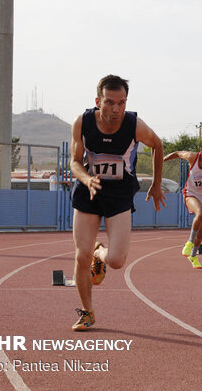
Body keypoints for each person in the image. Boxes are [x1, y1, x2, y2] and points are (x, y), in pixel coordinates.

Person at [70, 75, 166, 331]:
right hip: (89, 191)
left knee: (116, 261)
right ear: (98, 101)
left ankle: (99, 253)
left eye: (121, 103)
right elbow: (75, 161)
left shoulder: (135, 125)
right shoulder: (83, 122)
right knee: (81, 256)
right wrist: (87, 179)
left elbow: (157, 144)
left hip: (120, 194)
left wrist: (156, 184)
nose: (116, 109)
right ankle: (87, 312)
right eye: (110, 102)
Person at [164, 138, 202, 269]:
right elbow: (177, 153)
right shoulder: (192, 157)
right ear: (201, 150)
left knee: (201, 232)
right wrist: (161, 160)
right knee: (200, 212)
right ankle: (189, 243)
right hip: (191, 193)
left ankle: (193, 255)